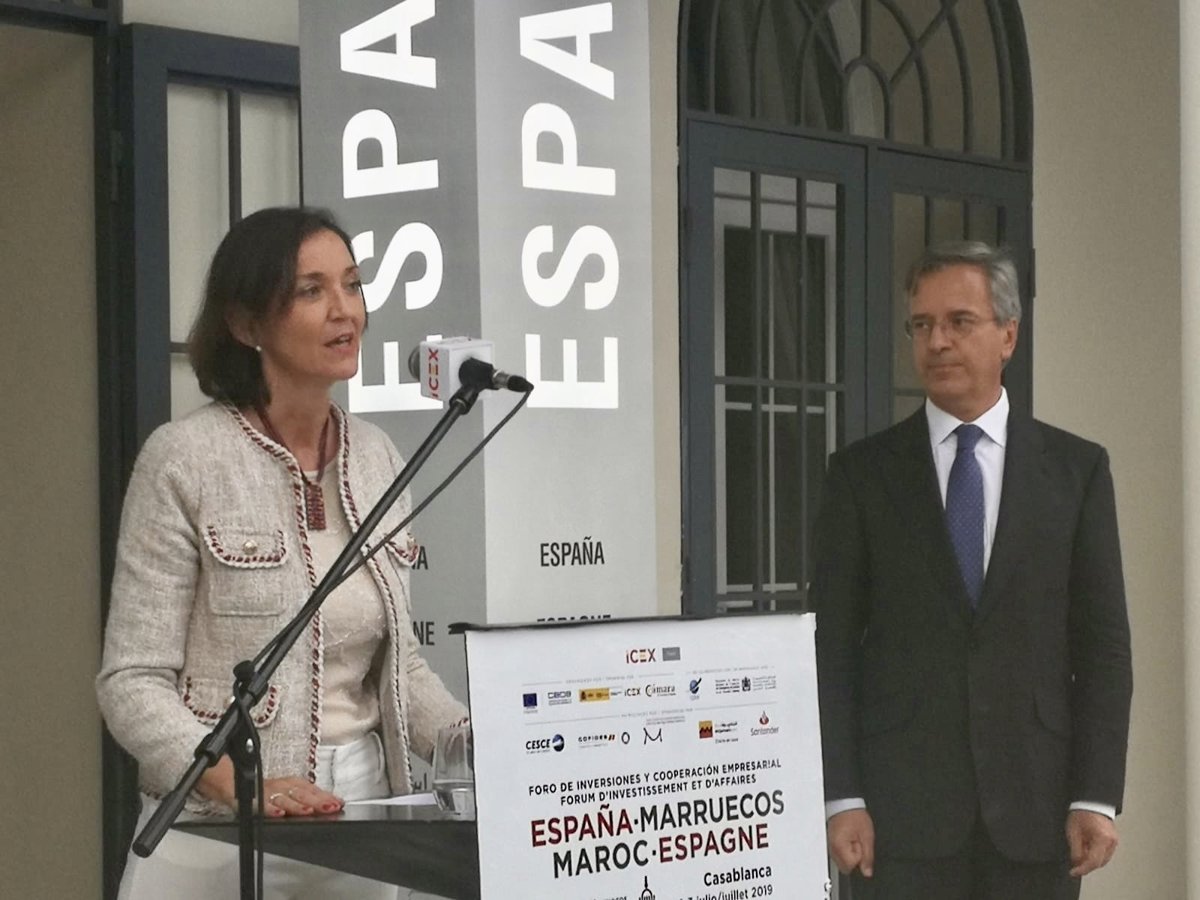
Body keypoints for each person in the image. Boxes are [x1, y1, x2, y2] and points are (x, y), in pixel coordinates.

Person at [96, 206, 468, 899]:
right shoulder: (184, 460)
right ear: (245, 325)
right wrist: (237, 784)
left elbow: (400, 664)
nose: (344, 310)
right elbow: (132, 681)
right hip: (212, 825)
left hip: (361, 816)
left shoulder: (380, 456)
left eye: (352, 285)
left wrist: (476, 741)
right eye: (311, 290)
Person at [811, 241, 1132, 900]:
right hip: (898, 819)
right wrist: (841, 795)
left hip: (1038, 813)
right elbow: (832, 647)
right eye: (922, 324)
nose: (937, 342)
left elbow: (1103, 646)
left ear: (1008, 334)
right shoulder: (861, 476)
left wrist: (1096, 795)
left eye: (960, 321)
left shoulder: (1077, 472)